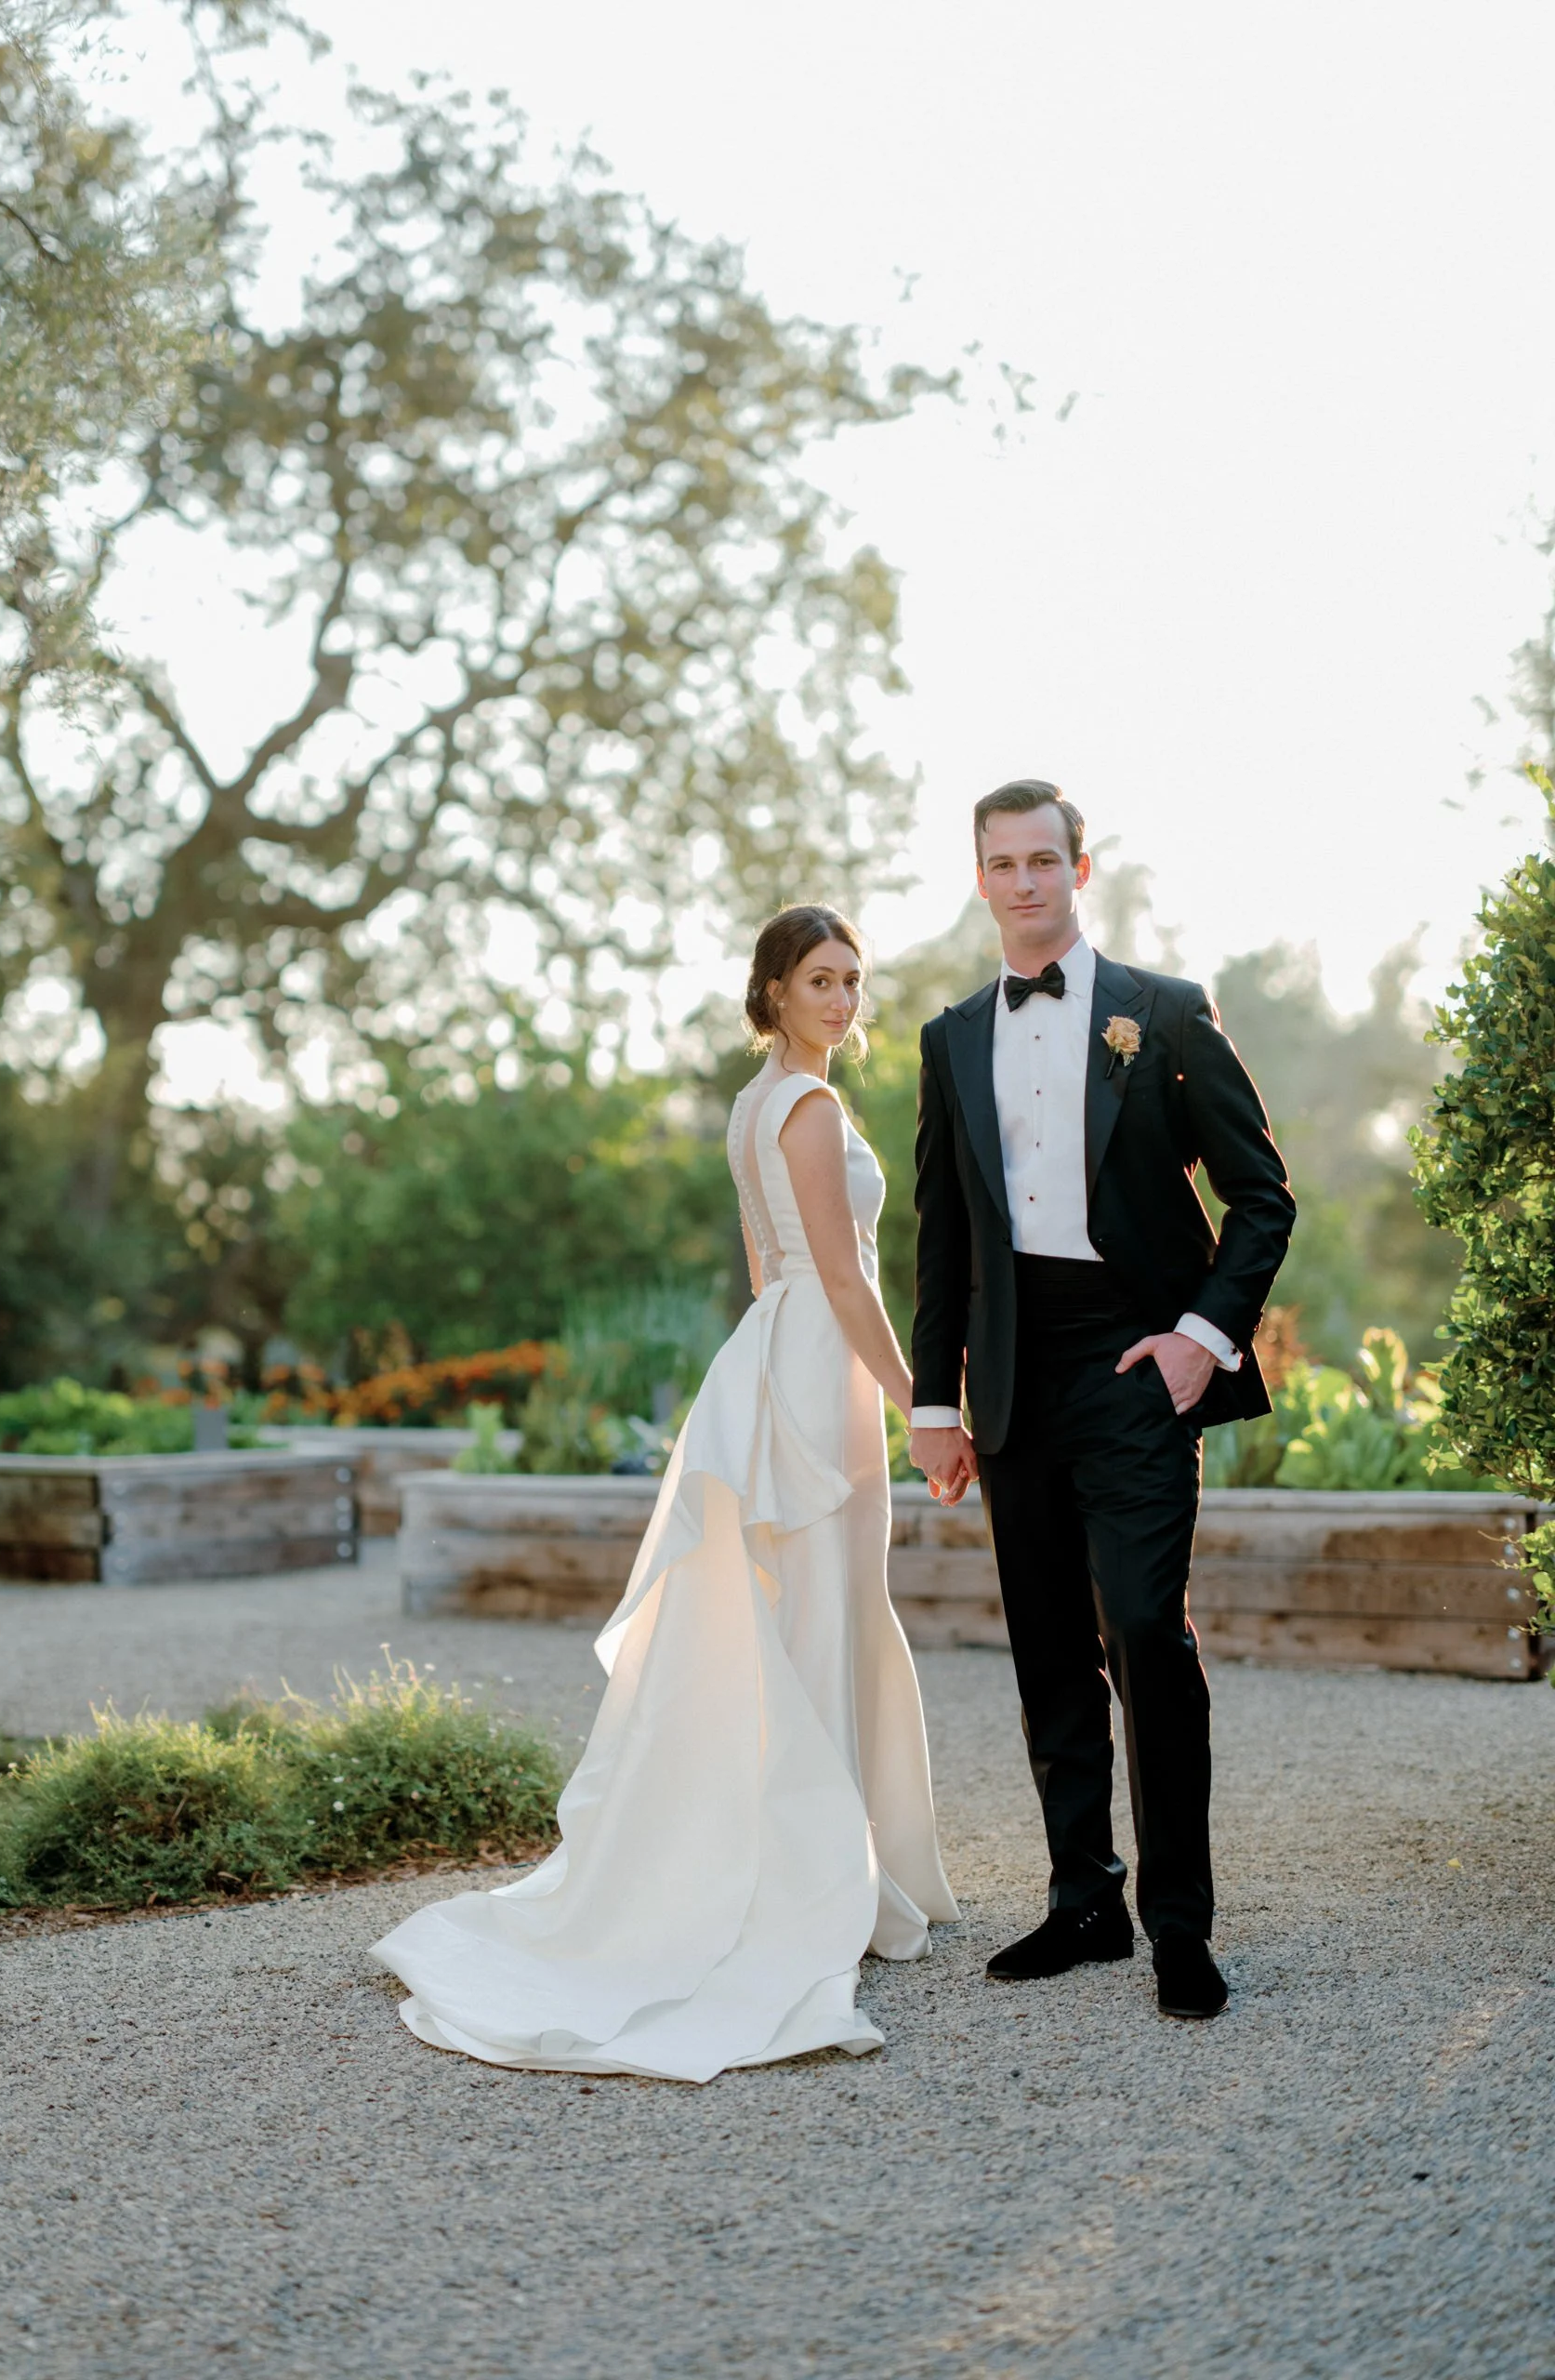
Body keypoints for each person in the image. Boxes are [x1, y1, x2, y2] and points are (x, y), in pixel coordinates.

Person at [373, 906, 959, 2081]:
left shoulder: (753, 1107)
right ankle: (811, 1883)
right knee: (818, 1611)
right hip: (816, 1358)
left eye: (854, 979)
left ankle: (827, 1862)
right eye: (821, 980)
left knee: (807, 1609)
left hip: (777, 1345)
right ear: (777, 993)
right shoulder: (811, 1105)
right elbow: (845, 1276)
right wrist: (918, 1401)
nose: (844, 999)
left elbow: (766, 1264)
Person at [908, 781, 1293, 2020]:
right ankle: (1085, 1904)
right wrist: (931, 1399)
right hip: (1015, 1378)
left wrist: (1199, 1339)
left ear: (1082, 868)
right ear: (979, 880)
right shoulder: (950, 1036)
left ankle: (1180, 1925)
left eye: (1043, 861)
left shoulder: (1164, 1014)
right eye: (1001, 864)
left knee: (1142, 1631)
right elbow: (942, 1233)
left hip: (1135, 1364)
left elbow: (1262, 1196)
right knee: (1046, 1652)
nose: (1024, 882)